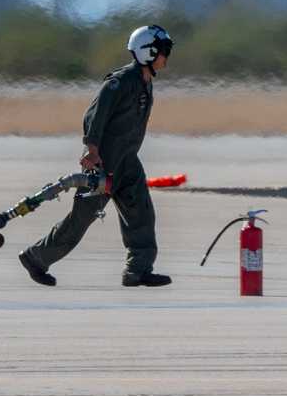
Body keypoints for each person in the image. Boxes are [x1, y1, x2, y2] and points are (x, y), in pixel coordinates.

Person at [18, 24, 175, 288]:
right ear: (148, 52)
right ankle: (36, 258)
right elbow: (95, 115)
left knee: (142, 215)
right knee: (80, 220)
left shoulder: (145, 82)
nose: (166, 56)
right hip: (104, 163)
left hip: (128, 161)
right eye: (163, 51)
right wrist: (92, 150)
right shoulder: (120, 82)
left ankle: (137, 270)